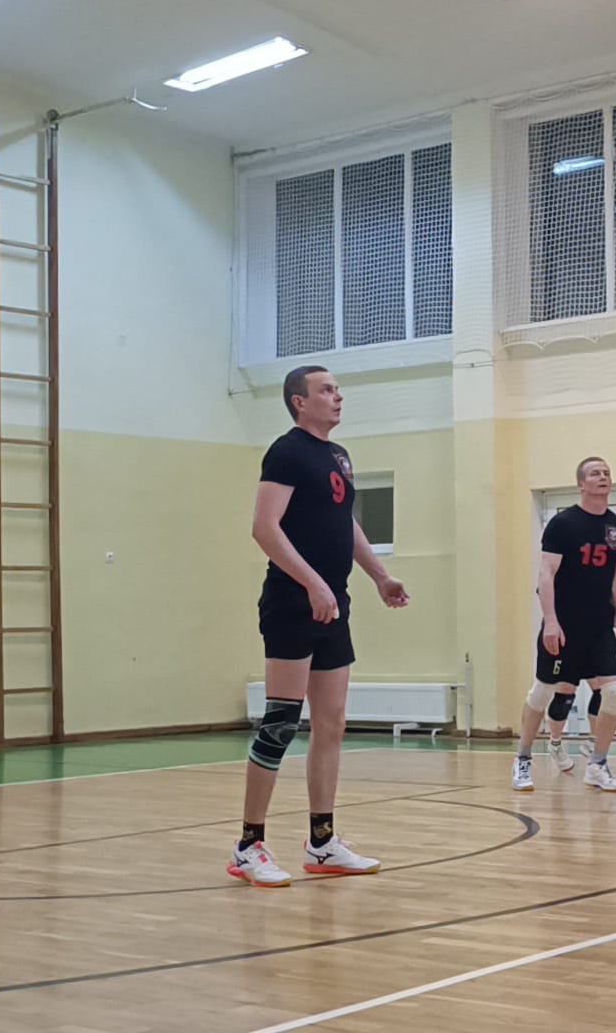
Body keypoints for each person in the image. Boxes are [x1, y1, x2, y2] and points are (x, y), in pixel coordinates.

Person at [230, 366, 410, 886]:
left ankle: (323, 842)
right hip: (292, 603)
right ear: (299, 402)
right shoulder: (286, 452)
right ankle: (248, 846)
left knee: (331, 724)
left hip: (334, 604)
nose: (338, 397)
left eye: (337, 390)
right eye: (326, 390)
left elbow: (344, 523)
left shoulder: (338, 456)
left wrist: (379, 576)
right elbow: (264, 528)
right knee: (281, 723)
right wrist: (311, 582)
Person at [513, 457, 616, 793]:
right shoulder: (563, 524)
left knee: (615, 692)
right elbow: (546, 573)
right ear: (581, 483)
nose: (603, 477)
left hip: (600, 628)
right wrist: (551, 621)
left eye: (607, 472)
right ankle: (523, 758)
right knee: (543, 692)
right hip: (564, 626)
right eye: (595, 473)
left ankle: (597, 765)